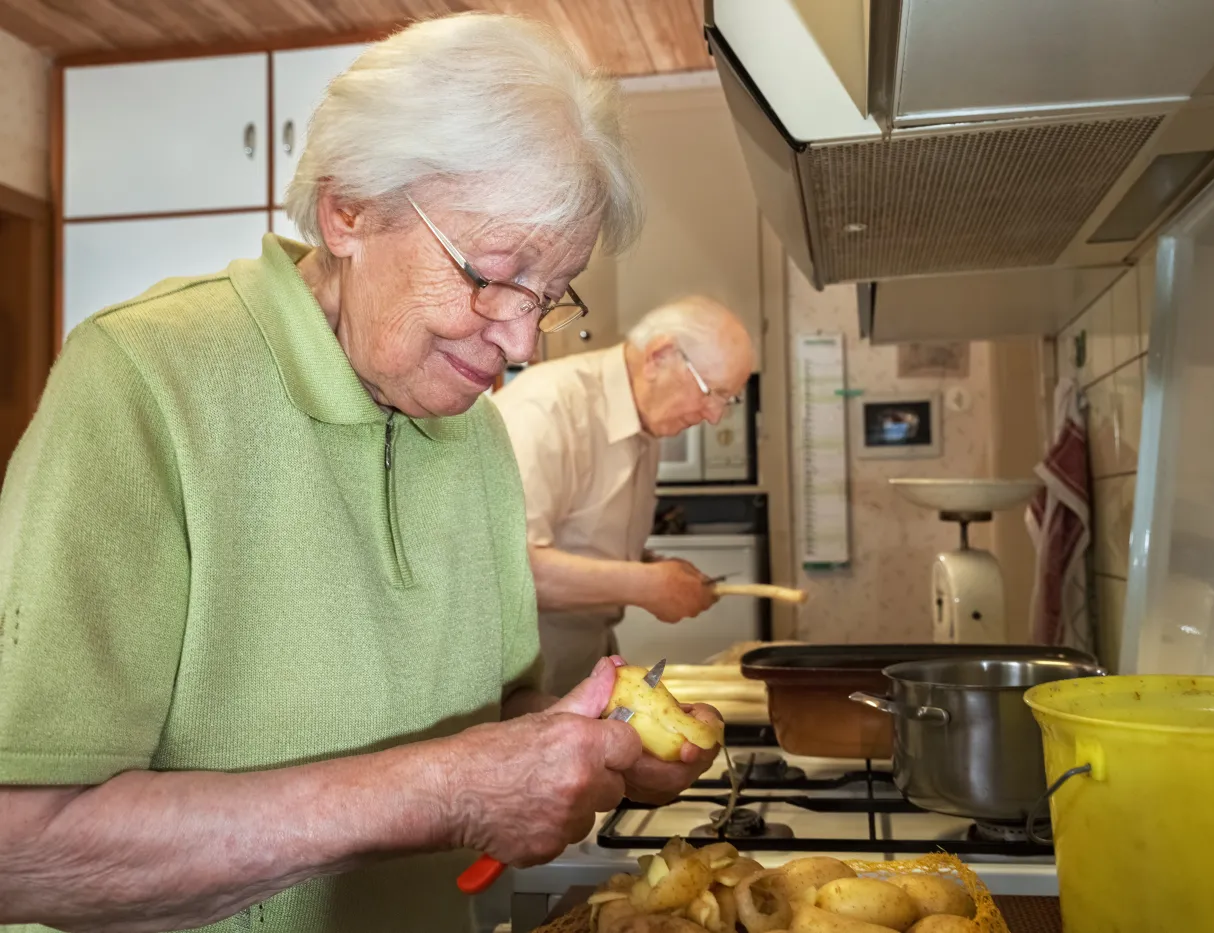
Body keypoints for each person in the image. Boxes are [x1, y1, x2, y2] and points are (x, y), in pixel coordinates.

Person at [0, 14, 720, 933]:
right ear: (349, 211)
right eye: (493, 275)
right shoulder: (144, 384)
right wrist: (442, 792)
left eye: (551, 295)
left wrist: (583, 745)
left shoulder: (475, 439)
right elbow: (24, 844)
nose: (522, 342)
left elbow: (495, 709)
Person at [493, 297, 757, 694]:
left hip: (580, 669)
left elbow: (581, 540)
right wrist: (649, 586)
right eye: (710, 392)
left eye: (727, 400)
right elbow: (507, 571)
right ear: (660, 356)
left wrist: (653, 567)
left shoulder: (645, 419)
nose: (715, 415)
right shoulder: (547, 409)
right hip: (518, 684)